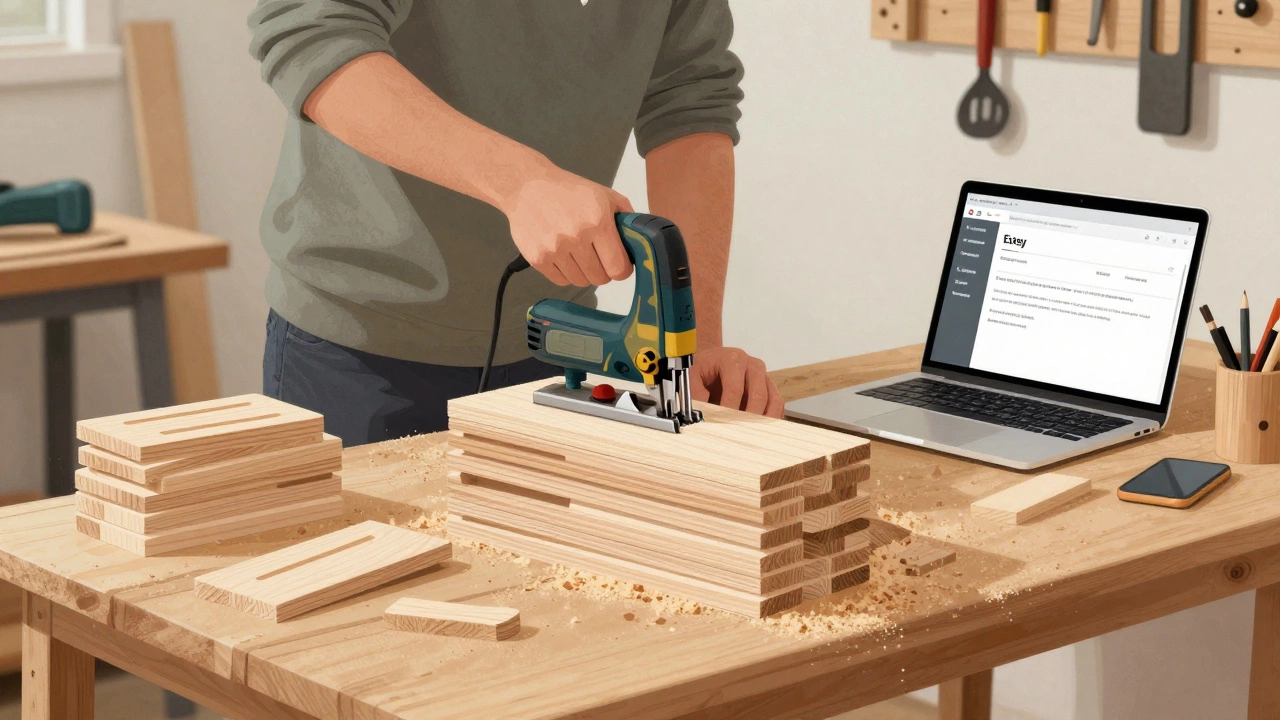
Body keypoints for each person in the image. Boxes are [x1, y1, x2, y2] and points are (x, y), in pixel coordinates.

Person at [248, 0, 783, 446]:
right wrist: (520, 183)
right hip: (358, 351)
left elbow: (689, 103)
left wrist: (690, 346)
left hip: (558, 345)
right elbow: (311, 32)